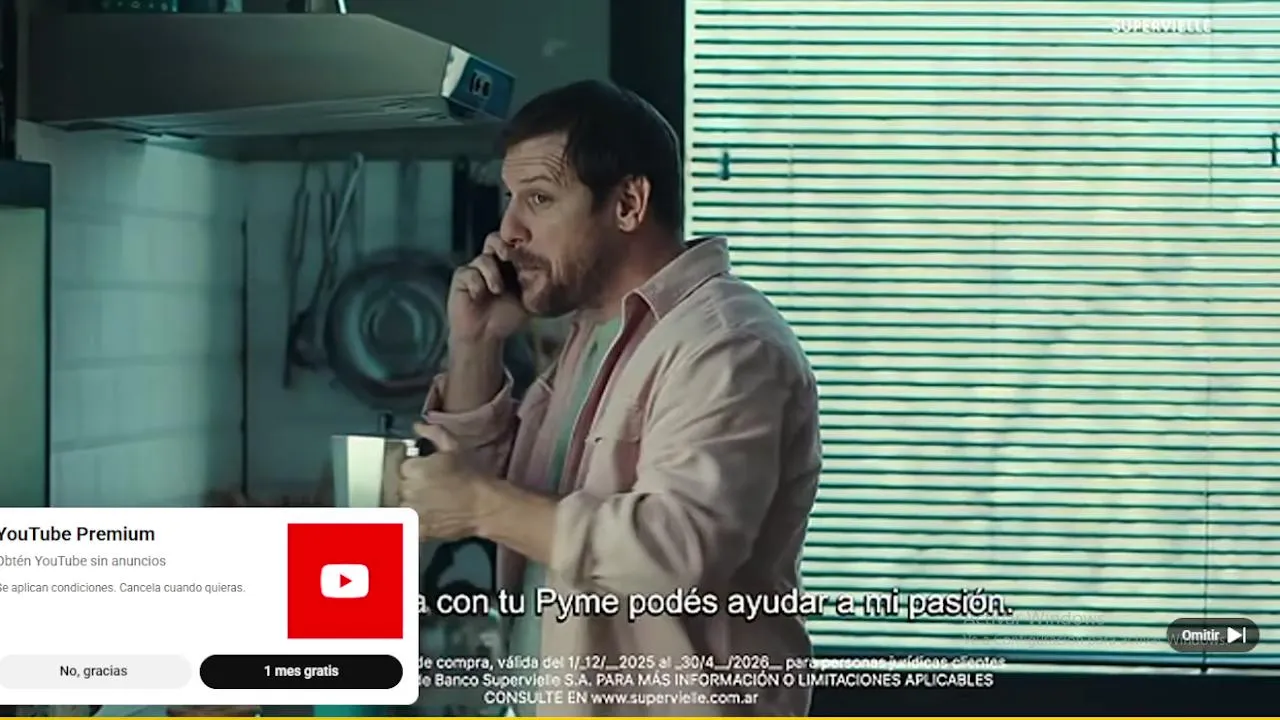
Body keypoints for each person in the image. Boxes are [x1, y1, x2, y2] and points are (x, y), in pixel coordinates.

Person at [392, 80, 822, 716]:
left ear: (627, 203)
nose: (507, 231)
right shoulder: (594, 335)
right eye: (510, 199)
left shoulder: (726, 345)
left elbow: (674, 553)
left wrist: (480, 506)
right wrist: (476, 345)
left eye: (539, 199)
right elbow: (498, 494)